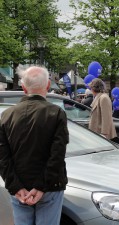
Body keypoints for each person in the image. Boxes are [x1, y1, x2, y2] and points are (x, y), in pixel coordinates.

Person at [0, 66, 69, 225]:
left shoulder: (6, 115)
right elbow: (57, 155)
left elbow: (3, 157)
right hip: (50, 186)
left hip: (20, 188)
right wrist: (41, 186)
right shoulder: (56, 113)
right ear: (48, 85)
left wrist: (15, 186)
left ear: (23, 87)